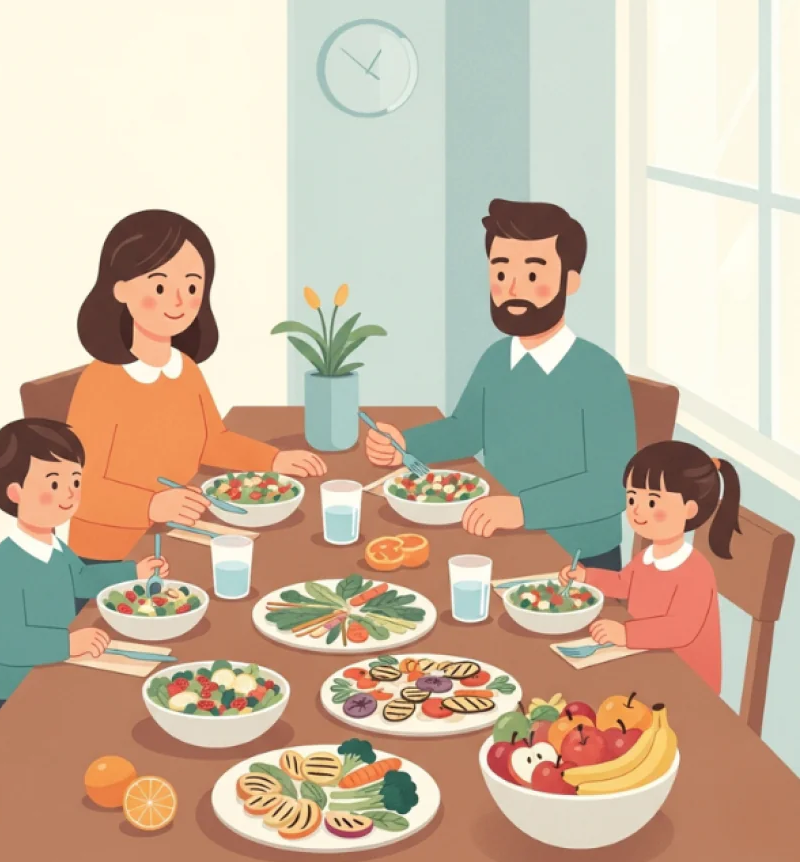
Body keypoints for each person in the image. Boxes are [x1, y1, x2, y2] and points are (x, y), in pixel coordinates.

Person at [365, 200, 636, 569]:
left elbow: (610, 486)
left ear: (570, 281)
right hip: (498, 536)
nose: (512, 287)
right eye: (500, 270)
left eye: (532, 274)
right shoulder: (497, 358)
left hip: (578, 558)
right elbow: (466, 429)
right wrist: (406, 444)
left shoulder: (600, 374)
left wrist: (523, 509)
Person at [67, 209, 327, 564]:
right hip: (114, 556)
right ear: (121, 290)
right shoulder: (102, 382)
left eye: (191, 286)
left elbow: (211, 441)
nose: (178, 301)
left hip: (178, 532)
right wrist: (151, 505)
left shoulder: (184, 368)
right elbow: (80, 488)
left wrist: (273, 459)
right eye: (160, 286)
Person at [0, 419, 168, 721]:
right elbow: (5, 642)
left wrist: (133, 572)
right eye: (54, 483)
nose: (69, 493)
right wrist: (68, 644)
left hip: (56, 669)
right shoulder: (4, 566)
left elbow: (81, 579)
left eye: (75, 481)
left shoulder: (56, 548)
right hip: (13, 696)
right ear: (16, 492)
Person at [559, 441, 737, 694]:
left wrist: (625, 633)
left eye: (652, 502)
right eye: (632, 498)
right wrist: (587, 575)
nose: (638, 510)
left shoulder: (695, 571)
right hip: (644, 664)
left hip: (685, 686)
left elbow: (680, 629)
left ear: (689, 509)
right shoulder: (647, 557)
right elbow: (624, 583)